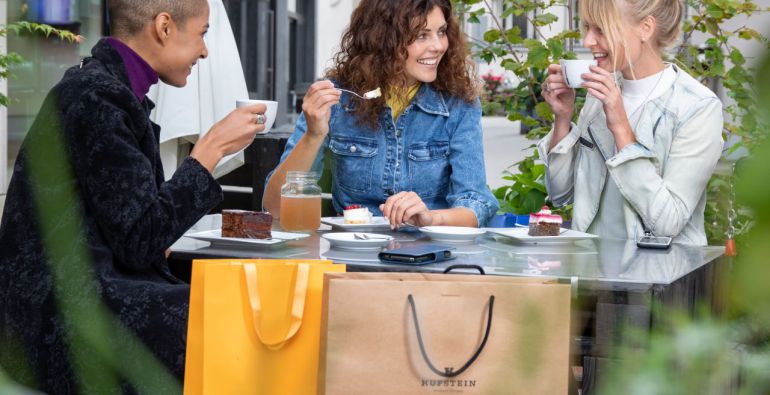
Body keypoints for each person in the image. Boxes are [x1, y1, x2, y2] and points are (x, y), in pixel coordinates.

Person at [0, 0, 265, 391]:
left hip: (68, 300)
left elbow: (132, 226)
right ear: (164, 27)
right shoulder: (97, 97)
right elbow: (140, 241)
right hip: (53, 323)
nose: (205, 51)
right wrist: (208, 151)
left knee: (244, 301)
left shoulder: (107, 90)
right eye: (203, 34)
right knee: (235, 320)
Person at [263, 0, 499, 228]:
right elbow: (274, 208)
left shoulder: (458, 104)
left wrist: (431, 218)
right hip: (354, 252)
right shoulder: (337, 98)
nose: (438, 46)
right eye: (421, 35)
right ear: (383, 39)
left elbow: (476, 201)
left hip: (431, 253)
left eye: (442, 32)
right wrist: (313, 136)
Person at [538, 0, 723, 245]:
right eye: (587, 28)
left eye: (601, 29)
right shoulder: (598, 95)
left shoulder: (697, 107)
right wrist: (562, 117)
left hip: (661, 276)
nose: (588, 41)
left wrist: (621, 127)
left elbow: (668, 222)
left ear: (645, 28)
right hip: (593, 273)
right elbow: (560, 194)